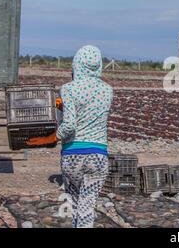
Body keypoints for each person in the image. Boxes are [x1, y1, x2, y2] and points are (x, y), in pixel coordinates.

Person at [56, 45, 113, 228]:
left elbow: (70, 124)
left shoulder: (68, 89)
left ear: (77, 64)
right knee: (87, 206)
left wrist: (55, 136)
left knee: (74, 202)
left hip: (72, 155)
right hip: (98, 155)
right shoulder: (107, 90)